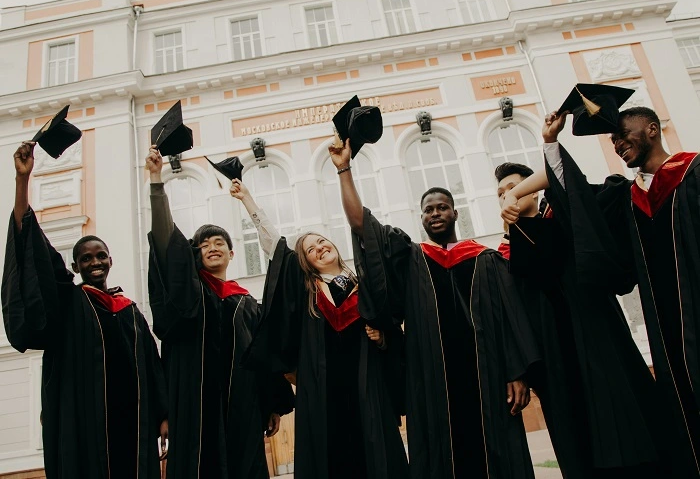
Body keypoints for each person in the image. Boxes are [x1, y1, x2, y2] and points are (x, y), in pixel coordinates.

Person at [501, 107, 700, 478]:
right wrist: (548, 142)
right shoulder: (628, 198)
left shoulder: (693, 173)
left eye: (624, 136)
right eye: (613, 140)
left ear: (653, 129)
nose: (618, 144)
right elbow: (573, 193)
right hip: (666, 325)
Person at [330, 139, 539, 479]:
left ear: (455, 212)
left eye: (442, 207)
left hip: (488, 376)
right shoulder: (411, 259)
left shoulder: (486, 260)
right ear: (421, 218)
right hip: (431, 380)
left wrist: (517, 373)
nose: (435, 213)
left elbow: (511, 319)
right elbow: (361, 224)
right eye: (428, 209)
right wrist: (344, 169)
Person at [2, 142, 168, 479]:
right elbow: (31, 244)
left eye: (101, 255)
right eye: (87, 258)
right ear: (75, 266)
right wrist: (22, 181)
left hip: (134, 427)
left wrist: (164, 415)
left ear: (111, 260)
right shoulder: (69, 303)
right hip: (85, 428)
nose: (95, 262)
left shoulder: (130, 312)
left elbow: (153, 367)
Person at [496, 162, 663, 479]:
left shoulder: (564, 216)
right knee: (578, 440)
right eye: (500, 194)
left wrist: (515, 193)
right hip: (555, 361)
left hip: (597, 338)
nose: (506, 197)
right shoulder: (503, 256)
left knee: (625, 427)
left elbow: (559, 170)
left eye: (514, 187)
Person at [233, 179, 408, 479]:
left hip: (367, 388)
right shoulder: (308, 293)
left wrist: (382, 339)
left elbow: (393, 330)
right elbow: (276, 248)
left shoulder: (364, 287)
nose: (319, 247)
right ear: (307, 262)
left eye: (322, 241)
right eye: (311, 249)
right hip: (323, 393)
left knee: (374, 457)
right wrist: (248, 200)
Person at [145, 146, 294, 479]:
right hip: (194, 409)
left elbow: (264, 356)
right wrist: (157, 181)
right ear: (194, 256)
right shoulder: (191, 295)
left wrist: (270, 405)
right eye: (203, 244)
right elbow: (167, 243)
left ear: (231, 252)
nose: (211, 247)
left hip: (242, 409)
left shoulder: (245, 303)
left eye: (218, 243)